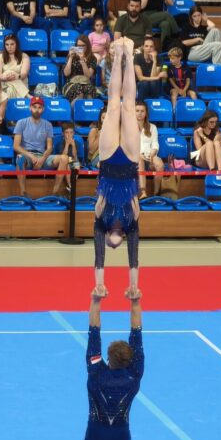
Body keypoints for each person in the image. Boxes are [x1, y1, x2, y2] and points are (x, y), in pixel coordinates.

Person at [93, 38, 141, 295]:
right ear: (122, 238)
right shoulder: (132, 224)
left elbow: (98, 258)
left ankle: (118, 57)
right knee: (129, 107)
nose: (114, 237)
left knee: (114, 107)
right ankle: (128, 56)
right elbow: (134, 259)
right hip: (130, 164)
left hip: (109, 163)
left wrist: (99, 284)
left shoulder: (101, 222)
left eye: (109, 240)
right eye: (117, 240)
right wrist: (134, 286)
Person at [13, 97, 69, 197]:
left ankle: (54, 193)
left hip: (42, 156)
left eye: (39, 107)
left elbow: (49, 147)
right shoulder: (21, 123)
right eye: (34, 107)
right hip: (27, 156)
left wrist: (42, 159)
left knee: (64, 158)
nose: (37, 110)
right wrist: (31, 156)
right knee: (20, 158)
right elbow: (16, 146)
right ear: (30, 108)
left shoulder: (48, 125)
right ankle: (23, 193)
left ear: (43, 109)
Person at [135, 101, 162, 198]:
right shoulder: (129, 128)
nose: (140, 113)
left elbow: (155, 144)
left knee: (159, 164)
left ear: (146, 113)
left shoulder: (152, 127)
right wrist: (138, 155)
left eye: (142, 111)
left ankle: (156, 194)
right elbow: (127, 147)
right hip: (135, 159)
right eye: (137, 111)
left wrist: (152, 155)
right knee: (139, 160)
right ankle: (143, 192)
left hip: (149, 157)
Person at [63, 35, 99, 103]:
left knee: (89, 91)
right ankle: (73, 109)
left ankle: (88, 109)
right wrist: (70, 58)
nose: (81, 48)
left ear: (87, 46)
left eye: (83, 46)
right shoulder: (72, 56)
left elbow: (88, 76)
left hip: (86, 83)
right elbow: (66, 73)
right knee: (79, 92)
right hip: (72, 83)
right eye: (78, 46)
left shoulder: (92, 58)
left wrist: (82, 61)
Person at [0, 33, 30, 99]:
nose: (9, 47)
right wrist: (5, 78)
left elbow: (24, 73)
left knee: (10, 89)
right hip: (4, 83)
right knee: (8, 72)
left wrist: (17, 76)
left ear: (17, 45)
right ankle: (26, 95)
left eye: (12, 44)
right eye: (7, 44)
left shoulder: (24, 56)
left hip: (21, 82)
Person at [133, 36, 163, 101]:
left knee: (153, 83)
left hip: (154, 86)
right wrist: (156, 78)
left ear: (154, 48)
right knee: (144, 83)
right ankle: (140, 103)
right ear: (143, 47)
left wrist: (154, 61)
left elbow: (153, 77)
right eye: (146, 46)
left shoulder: (158, 58)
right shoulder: (137, 57)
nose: (149, 48)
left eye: (151, 46)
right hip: (142, 85)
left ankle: (154, 102)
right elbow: (140, 78)